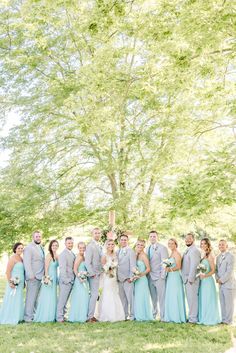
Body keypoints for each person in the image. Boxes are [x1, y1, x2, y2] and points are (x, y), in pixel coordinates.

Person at [98, 239, 125, 322]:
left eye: (112, 244)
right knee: (107, 293)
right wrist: (108, 268)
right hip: (108, 277)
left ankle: (117, 315)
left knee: (115, 293)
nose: (110, 246)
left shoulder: (116, 254)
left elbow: (117, 265)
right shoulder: (104, 255)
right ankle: (107, 315)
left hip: (114, 277)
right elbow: (103, 266)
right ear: (106, 245)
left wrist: (113, 267)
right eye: (109, 244)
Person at [34, 240, 59, 322]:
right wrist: (47, 278)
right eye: (53, 245)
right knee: (47, 296)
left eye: (56, 245)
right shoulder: (49, 255)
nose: (54, 247)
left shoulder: (57, 255)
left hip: (55, 277)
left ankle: (52, 315)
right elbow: (46, 268)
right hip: (49, 277)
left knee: (53, 296)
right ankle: (46, 316)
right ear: (50, 247)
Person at [198, 238, 221, 325]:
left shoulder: (210, 255)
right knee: (203, 299)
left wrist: (205, 275)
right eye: (201, 244)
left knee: (208, 299)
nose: (203, 245)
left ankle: (210, 318)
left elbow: (213, 270)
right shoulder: (203, 255)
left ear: (208, 245)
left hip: (207, 281)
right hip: (202, 281)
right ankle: (203, 316)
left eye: (204, 244)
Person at [0, 243, 24, 324]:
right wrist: (11, 282)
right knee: (12, 299)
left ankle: (18, 316)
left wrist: (24, 282)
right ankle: (10, 316)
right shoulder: (12, 258)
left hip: (20, 282)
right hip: (13, 282)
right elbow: (7, 272)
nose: (20, 250)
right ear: (15, 249)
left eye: (21, 248)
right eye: (19, 248)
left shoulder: (21, 258)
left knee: (18, 299)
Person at [24, 230, 45, 322]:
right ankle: (28, 317)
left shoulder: (41, 247)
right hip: (33, 277)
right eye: (36, 236)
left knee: (36, 298)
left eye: (39, 236)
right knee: (30, 297)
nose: (38, 238)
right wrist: (30, 274)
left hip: (40, 277)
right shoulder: (29, 247)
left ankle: (34, 315)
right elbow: (27, 262)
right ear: (33, 237)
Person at [147, 230, 168, 321]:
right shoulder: (147, 248)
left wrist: (162, 276)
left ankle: (163, 316)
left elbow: (164, 263)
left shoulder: (162, 248)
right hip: (150, 276)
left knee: (162, 297)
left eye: (154, 236)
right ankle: (154, 314)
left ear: (157, 237)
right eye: (151, 236)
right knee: (153, 298)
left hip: (159, 276)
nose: (152, 238)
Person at [164, 238, 186, 323]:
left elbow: (178, 266)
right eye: (169, 243)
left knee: (175, 295)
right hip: (170, 277)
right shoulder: (171, 253)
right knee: (171, 295)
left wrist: (169, 270)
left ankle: (177, 316)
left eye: (172, 243)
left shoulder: (177, 253)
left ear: (176, 244)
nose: (170, 245)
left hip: (175, 277)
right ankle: (171, 315)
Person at [181, 232, 201, 324]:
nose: (187, 240)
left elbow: (194, 265)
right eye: (186, 238)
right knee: (189, 299)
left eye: (189, 238)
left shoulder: (195, 250)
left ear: (193, 239)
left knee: (192, 299)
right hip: (186, 279)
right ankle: (191, 316)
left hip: (191, 280)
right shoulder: (188, 250)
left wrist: (191, 278)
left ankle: (193, 319)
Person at [216, 239, 236, 325]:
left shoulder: (231, 256)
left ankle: (229, 321)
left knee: (229, 303)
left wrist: (222, 280)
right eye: (219, 245)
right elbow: (216, 270)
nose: (221, 246)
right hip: (220, 284)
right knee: (222, 302)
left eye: (223, 244)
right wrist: (217, 278)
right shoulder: (218, 257)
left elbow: (229, 271)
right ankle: (224, 320)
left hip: (229, 284)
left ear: (226, 246)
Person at [117, 233, 136, 320]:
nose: (123, 241)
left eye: (125, 240)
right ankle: (124, 315)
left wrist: (131, 277)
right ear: (119, 241)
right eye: (122, 240)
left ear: (128, 241)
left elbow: (133, 265)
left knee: (130, 298)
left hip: (128, 279)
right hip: (119, 279)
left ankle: (132, 315)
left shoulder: (131, 251)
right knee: (122, 299)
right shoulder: (117, 251)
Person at [69, 242, 90, 323]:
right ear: (78, 248)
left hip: (84, 279)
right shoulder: (79, 257)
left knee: (84, 298)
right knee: (80, 298)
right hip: (79, 281)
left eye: (83, 248)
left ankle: (83, 315)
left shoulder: (84, 256)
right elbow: (74, 269)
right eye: (80, 248)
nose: (82, 249)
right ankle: (77, 316)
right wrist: (79, 278)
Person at [85, 227, 103, 322]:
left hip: (99, 273)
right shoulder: (90, 246)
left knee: (96, 295)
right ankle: (90, 316)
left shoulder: (99, 245)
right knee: (94, 295)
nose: (97, 235)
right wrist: (92, 273)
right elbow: (87, 262)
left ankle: (92, 315)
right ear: (92, 234)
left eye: (99, 233)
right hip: (93, 275)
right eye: (95, 233)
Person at [133, 239, 153, 321]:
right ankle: (138, 314)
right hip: (136, 279)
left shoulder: (144, 256)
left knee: (142, 297)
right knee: (137, 297)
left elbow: (148, 269)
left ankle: (144, 315)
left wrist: (140, 275)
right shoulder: (136, 254)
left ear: (144, 246)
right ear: (136, 245)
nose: (140, 246)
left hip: (142, 280)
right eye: (138, 245)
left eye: (141, 245)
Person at [57, 237, 75, 322]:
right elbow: (62, 269)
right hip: (65, 281)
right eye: (69, 243)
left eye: (71, 243)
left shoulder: (72, 253)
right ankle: (59, 318)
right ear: (65, 244)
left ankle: (63, 316)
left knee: (65, 300)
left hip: (71, 280)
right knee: (62, 300)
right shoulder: (63, 254)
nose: (70, 244)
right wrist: (66, 280)